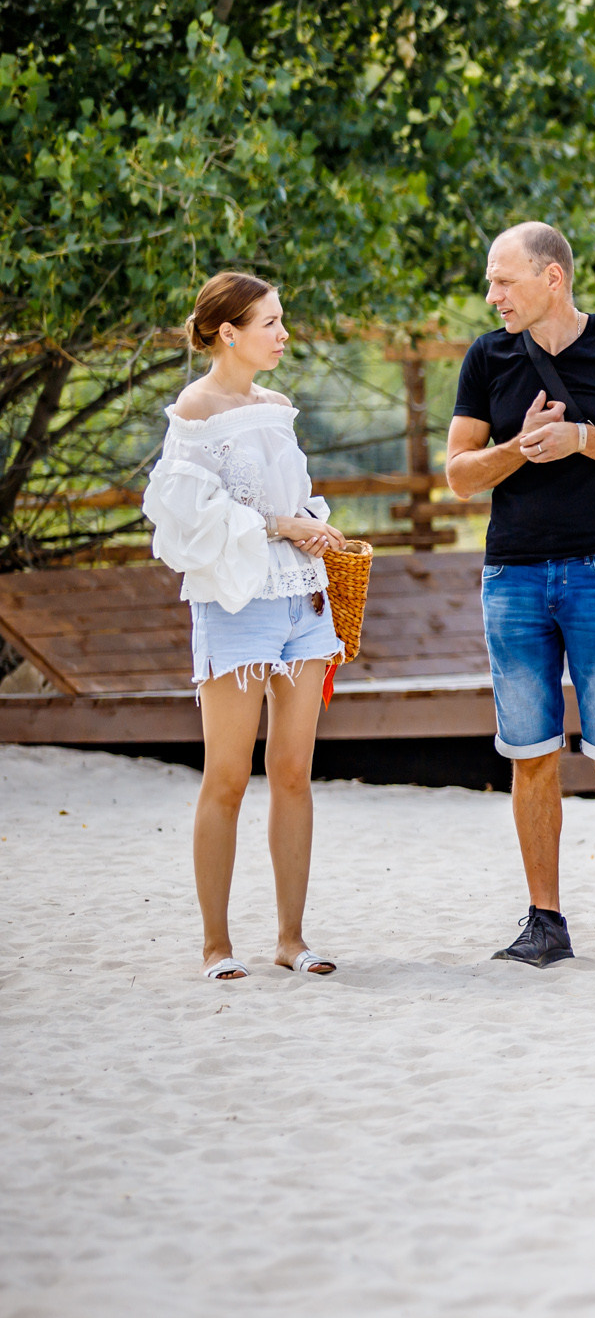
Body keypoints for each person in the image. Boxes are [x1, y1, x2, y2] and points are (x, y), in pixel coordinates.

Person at [446, 222, 595, 970]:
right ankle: (544, 922)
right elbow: (457, 474)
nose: (493, 296)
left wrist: (584, 437)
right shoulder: (487, 356)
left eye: (503, 280)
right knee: (530, 753)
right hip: (511, 574)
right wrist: (518, 448)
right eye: (492, 282)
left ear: (552, 277)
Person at [142, 272, 348, 981]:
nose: (284, 333)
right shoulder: (193, 413)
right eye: (270, 322)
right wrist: (278, 524)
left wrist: (314, 527)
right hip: (235, 607)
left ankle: (292, 938)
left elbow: (291, 498)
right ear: (228, 331)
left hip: (305, 603)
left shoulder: (278, 406)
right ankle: (215, 945)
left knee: (293, 773)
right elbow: (184, 521)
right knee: (226, 777)